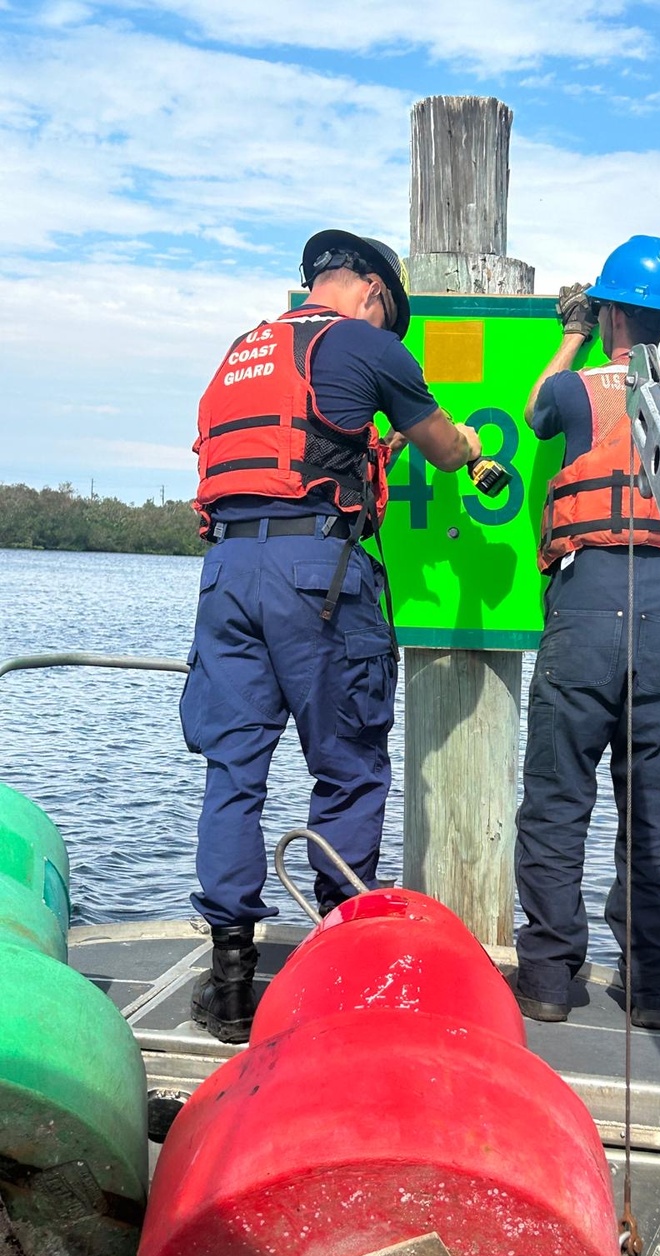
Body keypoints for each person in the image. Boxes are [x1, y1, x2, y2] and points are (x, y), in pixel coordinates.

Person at [180, 228, 482, 1043]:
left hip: (226, 574)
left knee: (233, 770)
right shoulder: (360, 342)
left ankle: (232, 983)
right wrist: (473, 446)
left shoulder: (241, 350)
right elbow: (443, 445)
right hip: (317, 576)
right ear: (374, 295)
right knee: (348, 766)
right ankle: (342, 977)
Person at [512, 235, 660, 1030]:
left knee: (559, 797)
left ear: (608, 311)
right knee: (650, 802)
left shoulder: (578, 390)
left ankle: (547, 982)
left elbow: (538, 409)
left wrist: (570, 331)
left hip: (590, 595)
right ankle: (653, 990)